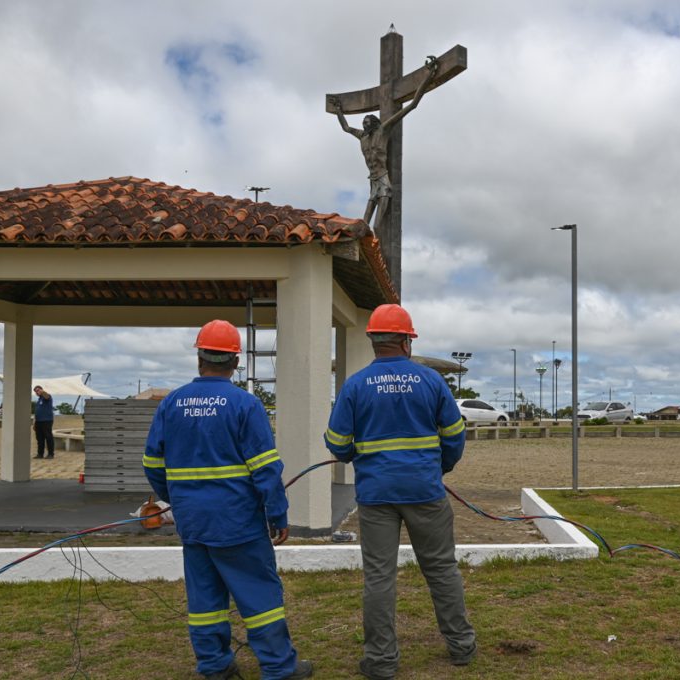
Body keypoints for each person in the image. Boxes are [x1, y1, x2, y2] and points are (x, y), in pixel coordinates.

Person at [143, 320, 312, 680]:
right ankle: (279, 668)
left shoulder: (172, 403)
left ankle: (214, 665)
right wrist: (278, 514)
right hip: (238, 522)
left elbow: (152, 463)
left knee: (204, 599)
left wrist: (177, 499)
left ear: (199, 358)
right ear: (235, 362)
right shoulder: (245, 404)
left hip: (194, 522)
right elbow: (266, 468)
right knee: (260, 595)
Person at [325, 303, 476, 680]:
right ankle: (461, 646)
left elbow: (337, 442)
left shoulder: (355, 385)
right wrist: (440, 468)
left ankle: (380, 661)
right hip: (425, 491)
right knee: (441, 568)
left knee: (379, 576)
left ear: (374, 341)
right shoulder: (431, 381)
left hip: (376, 495)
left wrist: (355, 456)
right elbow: (455, 436)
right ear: (407, 341)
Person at [330, 57, 439, 230]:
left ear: (373, 123)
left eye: (366, 122)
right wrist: (338, 110)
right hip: (372, 179)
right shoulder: (362, 136)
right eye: (363, 123)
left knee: (377, 222)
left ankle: (375, 236)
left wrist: (428, 76)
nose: (364, 125)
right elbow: (346, 127)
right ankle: (362, 236)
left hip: (383, 178)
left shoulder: (383, 130)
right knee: (364, 220)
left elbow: (412, 105)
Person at [32, 385, 54, 460]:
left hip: (47, 421)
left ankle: (50, 454)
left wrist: (42, 392)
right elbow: (36, 412)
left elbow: (46, 396)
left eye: (38, 390)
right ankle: (40, 454)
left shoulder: (47, 397)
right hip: (38, 422)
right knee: (39, 439)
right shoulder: (39, 400)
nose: (37, 392)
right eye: (35, 391)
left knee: (48, 437)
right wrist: (34, 423)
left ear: (41, 390)